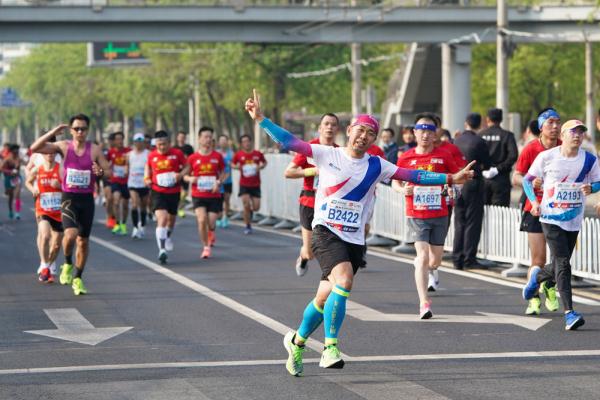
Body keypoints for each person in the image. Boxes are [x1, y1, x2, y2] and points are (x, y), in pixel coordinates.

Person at [244, 89, 474, 376]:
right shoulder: (327, 154)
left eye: (370, 133)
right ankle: (330, 347)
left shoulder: (377, 165)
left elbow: (413, 175)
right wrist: (262, 119)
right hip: (326, 230)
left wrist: (451, 177)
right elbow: (291, 142)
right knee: (345, 279)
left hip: (354, 238)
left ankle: (297, 341)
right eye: (360, 130)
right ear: (349, 131)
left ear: (374, 140)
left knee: (324, 297)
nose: (363, 136)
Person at [522, 119, 600, 331]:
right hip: (550, 217)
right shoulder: (547, 156)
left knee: (558, 264)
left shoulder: (590, 159)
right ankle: (569, 313)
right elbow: (527, 180)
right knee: (564, 264)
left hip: (573, 218)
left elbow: (598, 181)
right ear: (563, 135)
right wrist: (535, 203)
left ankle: (537, 277)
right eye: (573, 132)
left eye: (581, 132)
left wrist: (591, 188)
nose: (577, 135)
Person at [30, 114, 111, 295]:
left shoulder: (95, 150)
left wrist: (100, 172)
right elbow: (34, 148)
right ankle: (67, 262)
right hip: (69, 197)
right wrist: (54, 132)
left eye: (83, 129)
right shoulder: (64, 146)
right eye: (76, 129)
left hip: (86, 199)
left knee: (83, 242)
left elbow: (108, 172)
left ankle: (78, 277)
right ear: (71, 130)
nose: (79, 132)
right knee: (71, 233)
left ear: (87, 130)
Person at [395, 114, 460, 317]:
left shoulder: (444, 155)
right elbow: (394, 181)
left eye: (429, 131)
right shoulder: (405, 157)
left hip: (440, 213)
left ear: (435, 135)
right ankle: (424, 303)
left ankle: (432, 269)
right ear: (414, 133)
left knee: (435, 261)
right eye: (421, 130)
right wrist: (401, 190)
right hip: (416, 213)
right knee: (422, 257)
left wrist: (452, 190)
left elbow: (456, 179)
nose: (425, 135)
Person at [514, 108, 561, 315]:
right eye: (550, 122)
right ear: (541, 127)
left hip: (560, 209)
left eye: (558, 122)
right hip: (535, 209)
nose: (555, 127)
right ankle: (533, 300)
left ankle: (549, 285)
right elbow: (516, 177)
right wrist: (533, 183)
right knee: (539, 259)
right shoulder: (531, 149)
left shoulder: (565, 148)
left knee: (560, 259)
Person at [284, 113, 339, 276]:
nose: (329, 127)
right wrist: (313, 171)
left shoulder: (339, 152)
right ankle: (303, 256)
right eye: (326, 124)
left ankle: (330, 276)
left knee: (331, 246)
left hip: (330, 205)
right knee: (309, 252)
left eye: (333, 125)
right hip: (309, 201)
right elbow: (288, 172)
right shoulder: (309, 148)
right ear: (320, 128)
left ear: (338, 129)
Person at [453, 113, 492, 270]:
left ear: (465, 123)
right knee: (472, 222)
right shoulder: (479, 141)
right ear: (479, 124)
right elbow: (488, 164)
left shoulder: (456, 141)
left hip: (457, 182)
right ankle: (469, 258)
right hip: (473, 182)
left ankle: (457, 257)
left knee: (459, 221)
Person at [144, 130, 189, 264]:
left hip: (174, 191)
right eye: (159, 145)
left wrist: (180, 175)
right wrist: (146, 178)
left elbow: (187, 166)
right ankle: (162, 250)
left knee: (171, 220)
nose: (162, 147)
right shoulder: (152, 155)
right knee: (162, 219)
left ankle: (167, 236)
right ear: (155, 144)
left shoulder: (177, 154)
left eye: (164, 144)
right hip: (158, 191)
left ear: (169, 143)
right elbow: (148, 167)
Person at [185, 127, 226, 259]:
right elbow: (184, 175)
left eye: (210, 137)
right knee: (202, 220)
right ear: (199, 139)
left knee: (211, 222)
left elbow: (225, 172)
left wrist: (218, 182)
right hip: (198, 194)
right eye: (205, 137)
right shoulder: (192, 158)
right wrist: (191, 178)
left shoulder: (217, 156)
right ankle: (206, 247)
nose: (208, 139)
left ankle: (211, 231)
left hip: (214, 195)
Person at [25, 143, 64, 283]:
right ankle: (44, 263)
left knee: (57, 244)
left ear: (56, 155)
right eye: (47, 153)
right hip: (42, 209)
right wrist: (33, 190)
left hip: (58, 210)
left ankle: (49, 264)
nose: (50, 155)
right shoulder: (38, 169)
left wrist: (60, 186)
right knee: (45, 235)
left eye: (53, 153)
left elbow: (70, 188)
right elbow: (28, 182)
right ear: (42, 155)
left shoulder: (61, 170)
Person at [479, 108, 518, 207]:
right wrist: (497, 169)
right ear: (501, 120)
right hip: (501, 179)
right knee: (501, 214)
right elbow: (513, 156)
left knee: (482, 212)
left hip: (482, 179)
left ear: (487, 119)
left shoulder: (480, 135)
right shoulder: (507, 135)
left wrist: (482, 169)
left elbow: (474, 154)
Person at [232, 134, 267, 235]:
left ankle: (250, 212)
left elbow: (264, 163)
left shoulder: (257, 154)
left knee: (256, 207)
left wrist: (259, 167)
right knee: (246, 204)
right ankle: (248, 225)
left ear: (251, 142)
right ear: (241, 144)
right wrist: (237, 167)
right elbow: (232, 164)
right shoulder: (238, 155)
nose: (246, 143)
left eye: (248, 141)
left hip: (255, 184)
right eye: (244, 142)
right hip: (244, 184)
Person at [106, 132, 131, 235]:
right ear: (114, 141)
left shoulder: (128, 151)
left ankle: (123, 224)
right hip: (115, 180)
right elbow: (105, 164)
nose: (119, 141)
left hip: (127, 181)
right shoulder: (110, 152)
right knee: (116, 201)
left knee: (125, 204)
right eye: (117, 139)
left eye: (121, 139)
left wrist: (127, 168)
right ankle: (117, 223)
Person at [127, 133, 150, 239]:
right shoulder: (129, 155)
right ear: (134, 142)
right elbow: (127, 167)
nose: (139, 143)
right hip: (133, 183)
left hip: (144, 183)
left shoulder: (148, 154)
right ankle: (135, 227)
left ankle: (143, 225)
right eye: (137, 141)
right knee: (135, 204)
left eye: (141, 141)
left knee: (144, 206)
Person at [174, 131, 195, 218]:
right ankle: (176, 207)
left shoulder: (188, 148)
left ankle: (180, 208)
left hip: (186, 172)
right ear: (177, 138)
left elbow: (193, 159)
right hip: (176, 172)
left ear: (185, 138)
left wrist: (192, 170)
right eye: (180, 137)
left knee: (184, 192)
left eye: (183, 137)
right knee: (176, 192)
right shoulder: (174, 148)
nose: (181, 139)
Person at [216, 134, 234, 228]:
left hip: (228, 180)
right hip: (218, 180)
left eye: (224, 140)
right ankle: (218, 217)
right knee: (219, 200)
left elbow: (234, 164)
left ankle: (225, 217)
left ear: (227, 142)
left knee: (226, 200)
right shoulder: (216, 153)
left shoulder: (231, 153)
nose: (223, 142)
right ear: (219, 142)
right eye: (221, 140)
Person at [1, 144, 23, 220]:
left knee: (17, 195)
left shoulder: (19, 158)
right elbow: (1, 169)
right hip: (8, 178)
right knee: (10, 196)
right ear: (11, 152)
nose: (16, 153)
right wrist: (10, 171)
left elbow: (26, 164)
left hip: (17, 178)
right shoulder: (7, 159)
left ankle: (17, 213)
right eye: (15, 152)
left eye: (17, 151)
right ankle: (10, 211)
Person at [102, 133, 117, 229]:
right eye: (110, 140)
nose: (112, 142)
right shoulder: (106, 152)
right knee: (109, 199)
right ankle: (109, 217)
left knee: (115, 200)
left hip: (117, 178)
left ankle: (114, 217)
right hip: (107, 178)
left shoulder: (119, 151)